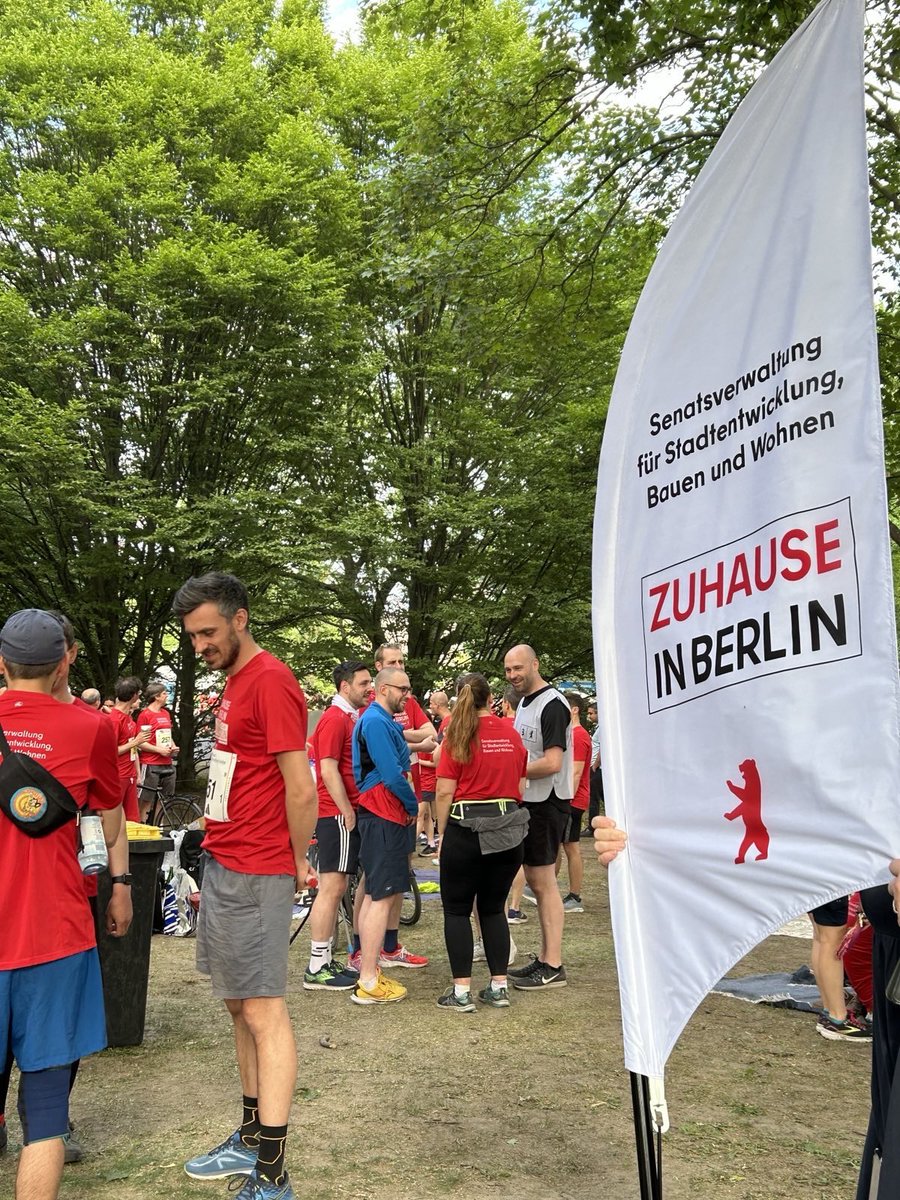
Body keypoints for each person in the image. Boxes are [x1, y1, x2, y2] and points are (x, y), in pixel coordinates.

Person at [173, 573, 316, 1200]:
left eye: (208, 632)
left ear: (240, 619)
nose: (199, 644)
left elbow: (301, 786)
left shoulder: (272, 682)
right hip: (226, 860)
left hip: (260, 869)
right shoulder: (232, 682)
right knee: (238, 1004)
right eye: (192, 635)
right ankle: (250, 1136)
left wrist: (294, 861)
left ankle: (274, 1174)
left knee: (263, 1009)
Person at [0, 608, 129, 1200]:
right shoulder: (92, 730)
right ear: (61, 666)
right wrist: (120, 884)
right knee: (47, 1109)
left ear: (2, 664)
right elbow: (110, 813)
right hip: (55, 936)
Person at [434, 674, 528, 1011]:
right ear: (491, 699)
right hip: (507, 828)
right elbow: (520, 784)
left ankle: (461, 993)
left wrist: (441, 834)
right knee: (493, 909)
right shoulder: (511, 733)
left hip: (466, 828)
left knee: (457, 910)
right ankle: (498, 987)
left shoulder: (456, 734)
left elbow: (444, 790)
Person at [350, 667, 421, 1004]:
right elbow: (393, 773)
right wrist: (413, 804)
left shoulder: (378, 719)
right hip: (384, 812)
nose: (407, 695)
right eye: (403, 689)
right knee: (381, 896)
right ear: (383, 689)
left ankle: (369, 970)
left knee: (377, 892)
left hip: (382, 812)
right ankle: (367, 978)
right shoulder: (376, 721)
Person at [504, 644, 573, 990]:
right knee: (535, 880)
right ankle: (546, 959)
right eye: (508, 670)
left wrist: (512, 772)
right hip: (530, 802)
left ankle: (553, 964)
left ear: (535, 664)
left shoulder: (553, 705)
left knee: (544, 883)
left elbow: (553, 762)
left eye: (518, 668)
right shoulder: (526, 703)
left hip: (547, 802)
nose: (513, 675)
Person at [303, 660, 372, 991]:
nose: (368, 688)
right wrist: (346, 809)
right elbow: (328, 768)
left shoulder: (349, 717)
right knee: (332, 887)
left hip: (342, 811)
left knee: (337, 886)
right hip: (336, 813)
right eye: (363, 683)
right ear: (345, 686)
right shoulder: (334, 719)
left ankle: (324, 959)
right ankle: (317, 964)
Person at [557, 692, 592, 913]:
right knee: (561, 845)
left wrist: (563, 798)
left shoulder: (578, 736)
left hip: (573, 800)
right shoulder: (571, 734)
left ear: (574, 710)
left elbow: (576, 772)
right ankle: (544, 887)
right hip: (568, 798)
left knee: (571, 847)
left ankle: (575, 896)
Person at [107, 677, 151, 824]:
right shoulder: (114, 719)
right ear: (134, 695)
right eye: (139, 693)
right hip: (117, 776)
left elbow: (131, 748)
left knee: (132, 820)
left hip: (130, 775)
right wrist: (136, 742)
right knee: (115, 822)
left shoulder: (129, 719)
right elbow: (110, 751)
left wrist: (137, 773)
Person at [136, 681, 178, 821]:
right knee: (146, 799)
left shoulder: (165, 713)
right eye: (164, 693)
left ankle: (158, 827)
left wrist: (172, 746)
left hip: (167, 761)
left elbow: (167, 734)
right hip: (150, 763)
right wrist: (159, 750)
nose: (167, 696)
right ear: (156, 696)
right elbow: (141, 742)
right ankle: (142, 826)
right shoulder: (145, 715)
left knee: (165, 799)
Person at [586, 700, 604, 833]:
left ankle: (592, 827)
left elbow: (603, 747)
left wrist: (595, 764)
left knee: (594, 798)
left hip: (597, 768)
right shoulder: (597, 728)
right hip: (595, 767)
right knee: (598, 797)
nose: (589, 716)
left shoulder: (603, 728)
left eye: (591, 713)